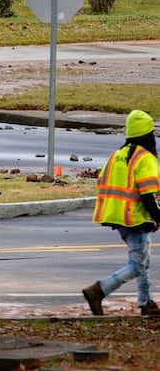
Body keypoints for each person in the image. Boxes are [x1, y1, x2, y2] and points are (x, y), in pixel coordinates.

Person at [83, 109, 160, 317]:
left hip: (118, 218)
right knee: (136, 264)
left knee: (144, 259)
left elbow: (103, 182)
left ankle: (147, 302)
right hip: (135, 218)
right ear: (148, 135)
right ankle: (98, 290)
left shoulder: (118, 155)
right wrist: (158, 216)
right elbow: (148, 195)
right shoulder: (145, 158)